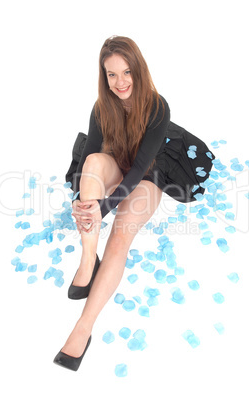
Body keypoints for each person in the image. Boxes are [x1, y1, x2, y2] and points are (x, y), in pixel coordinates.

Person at [53, 35, 215, 371]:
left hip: (148, 174)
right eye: (111, 75)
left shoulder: (157, 106)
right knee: (94, 161)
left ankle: (83, 328)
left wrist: (103, 207)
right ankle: (87, 260)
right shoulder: (102, 107)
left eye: (126, 72)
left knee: (120, 236)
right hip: (116, 163)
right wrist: (80, 202)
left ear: (138, 71)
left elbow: (140, 167)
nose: (120, 82)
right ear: (104, 76)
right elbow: (88, 163)